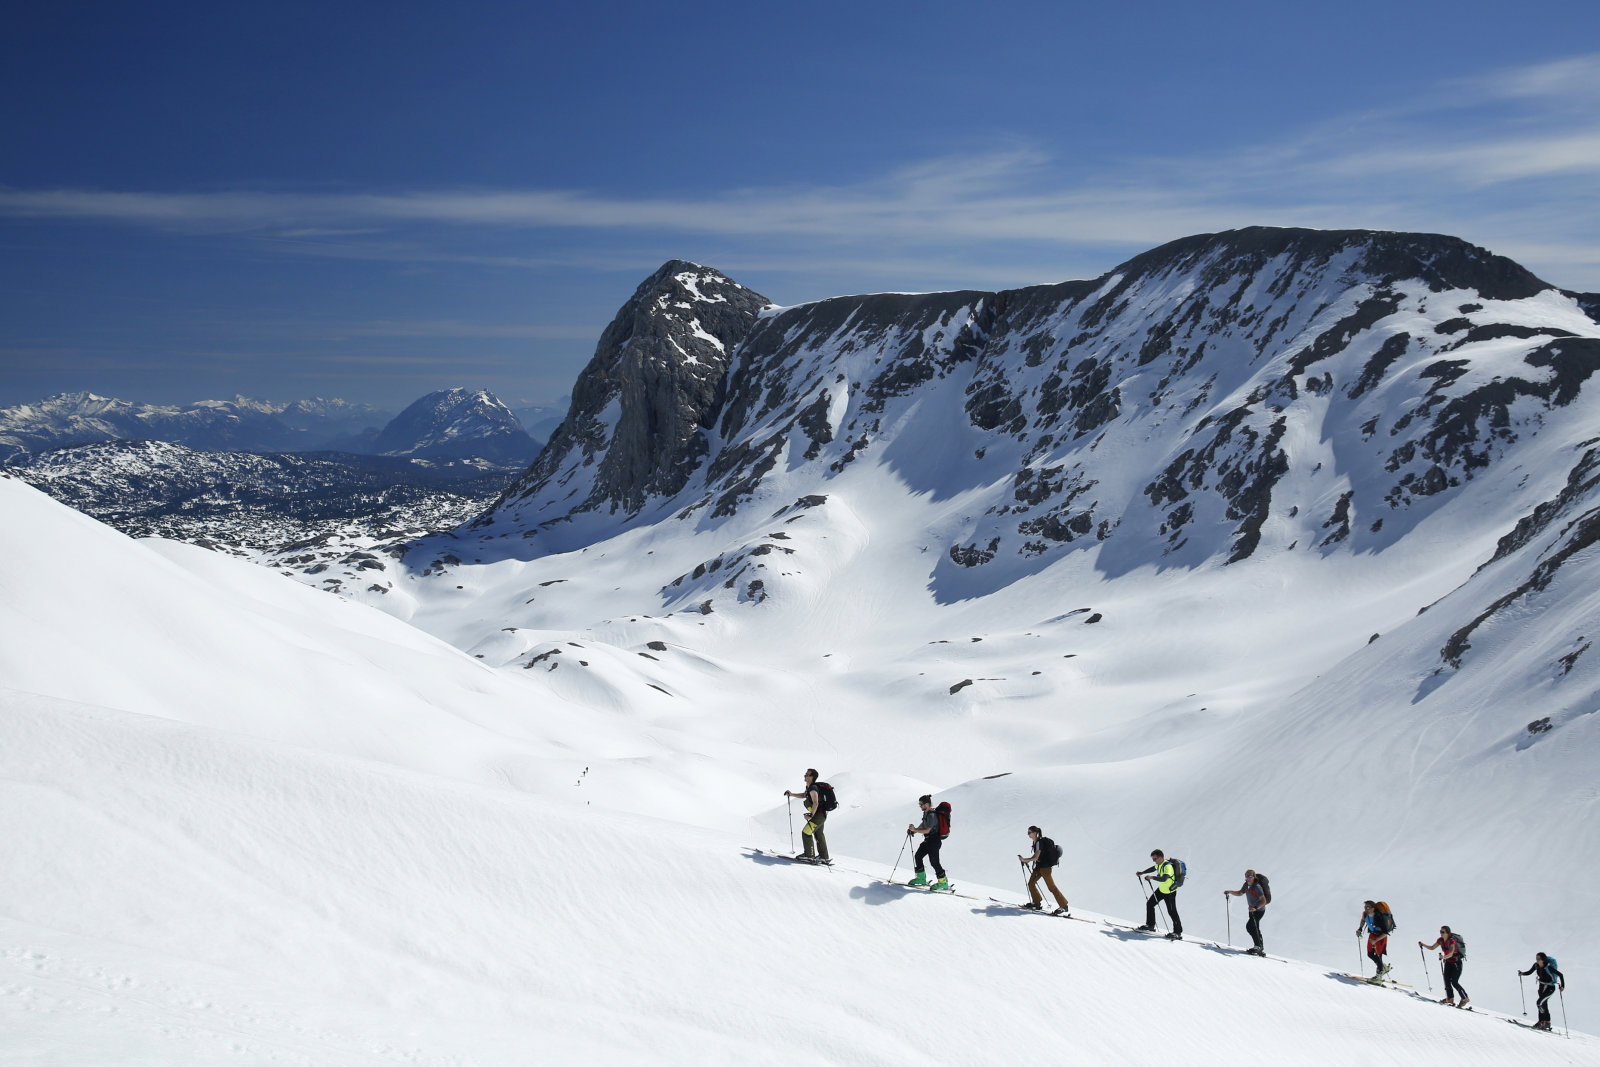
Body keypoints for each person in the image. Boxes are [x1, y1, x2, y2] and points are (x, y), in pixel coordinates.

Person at [1017, 826, 1069, 915]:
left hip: (1045, 868)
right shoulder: (1036, 842)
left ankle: (1064, 906)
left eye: (1029, 832)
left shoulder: (1039, 842)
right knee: (1031, 883)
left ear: (1035, 833)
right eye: (1028, 833)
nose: (1028, 834)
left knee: (1051, 887)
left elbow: (1036, 857)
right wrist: (1027, 860)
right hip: (1039, 867)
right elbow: (1037, 856)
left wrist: (1025, 860)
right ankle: (1036, 902)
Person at [783, 769, 830, 864]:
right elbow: (804, 795)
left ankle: (809, 855)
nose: (805, 776)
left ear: (812, 777)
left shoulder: (813, 788)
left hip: (818, 816)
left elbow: (815, 802)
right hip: (821, 815)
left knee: (806, 832)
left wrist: (811, 815)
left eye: (807, 774)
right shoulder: (810, 788)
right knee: (819, 834)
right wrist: (791, 794)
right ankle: (824, 857)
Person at [1136, 849, 1182, 939]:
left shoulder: (1168, 866)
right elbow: (1153, 868)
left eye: (1155, 859)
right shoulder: (1160, 864)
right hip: (1161, 890)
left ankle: (1178, 932)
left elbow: (1164, 878)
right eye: (1153, 859)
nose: (1154, 861)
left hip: (1169, 892)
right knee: (1150, 904)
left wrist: (1152, 877)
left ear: (1160, 857)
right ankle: (1150, 925)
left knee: (1172, 912)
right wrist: (1142, 872)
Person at [905, 795, 948, 890]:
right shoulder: (926, 813)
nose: (920, 806)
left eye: (921, 804)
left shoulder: (932, 815)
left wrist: (915, 829)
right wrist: (914, 831)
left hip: (934, 842)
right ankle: (921, 878)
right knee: (918, 856)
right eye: (919, 804)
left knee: (934, 862)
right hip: (928, 841)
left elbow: (928, 830)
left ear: (927, 804)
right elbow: (924, 824)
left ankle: (943, 882)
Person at [1419, 926, 1468, 1007]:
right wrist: (1423, 945)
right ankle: (1450, 998)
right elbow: (1432, 947)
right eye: (1440, 931)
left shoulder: (1452, 941)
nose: (1441, 933)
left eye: (1443, 932)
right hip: (1448, 962)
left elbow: (1451, 953)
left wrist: (1443, 957)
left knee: (1454, 982)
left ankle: (1465, 998)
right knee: (1446, 979)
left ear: (1447, 933)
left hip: (1456, 963)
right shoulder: (1440, 940)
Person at [1224, 870, 1268, 956]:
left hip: (1258, 910)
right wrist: (1230, 892)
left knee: (1250, 926)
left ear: (1254, 877)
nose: (1248, 878)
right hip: (1252, 910)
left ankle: (1258, 947)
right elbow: (1240, 893)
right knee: (1254, 927)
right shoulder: (1246, 885)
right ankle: (1259, 947)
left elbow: (1263, 901)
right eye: (1247, 876)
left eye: (1250, 876)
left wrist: (1255, 908)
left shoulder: (1257, 887)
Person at [1518, 952, 1565, 1030]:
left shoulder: (1548, 967)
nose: (1537, 960)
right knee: (1543, 1004)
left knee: (1539, 1003)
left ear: (1543, 959)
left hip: (1550, 988)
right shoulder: (1536, 965)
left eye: (1538, 959)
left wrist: (1562, 986)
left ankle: (1542, 1022)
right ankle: (1546, 1022)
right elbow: (1529, 972)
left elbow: (1561, 975)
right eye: (1536, 958)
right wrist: (1522, 973)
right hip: (1542, 987)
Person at [1357, 901, 1392, 980]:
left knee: (1378, 955)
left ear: (1373, 908)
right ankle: (1383, 967)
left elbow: (1385, 933)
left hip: (1381, 937)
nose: (1366, 909)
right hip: (1372, 935)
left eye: (1368, 907)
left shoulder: (1379, 917)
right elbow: (1363, 920)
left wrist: (1376, 940)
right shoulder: (1365, 914)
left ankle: (1379, 976)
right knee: (1370, 954)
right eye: (1365, 907)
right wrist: (1360, 929)